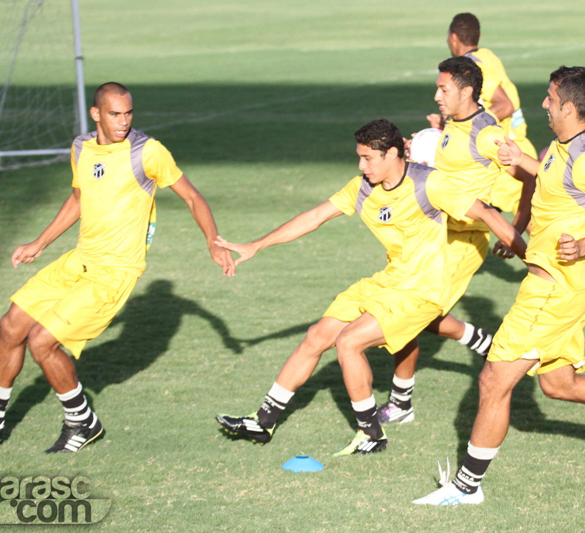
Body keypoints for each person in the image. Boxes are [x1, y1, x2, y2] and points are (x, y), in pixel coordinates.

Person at [413, 66, 585, 505]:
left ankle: (467, 488)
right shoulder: (563, 147)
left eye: (548, 98)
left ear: (568, 106)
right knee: (558, 385)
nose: (542, 103)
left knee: (492, 381)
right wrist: (519, 179)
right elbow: (546, 177)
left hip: (552, 291)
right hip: (565, 288)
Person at [0, 82, 234, 453]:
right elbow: (78, 198)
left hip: (115, 272)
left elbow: (193, 197)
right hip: (80, 260)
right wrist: (39, 242)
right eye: (115, 114)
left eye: (129, 113)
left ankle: (82, 420)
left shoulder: (147, 152)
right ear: (96, 113)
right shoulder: (81, 148)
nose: (124, 121)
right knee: (11, 324)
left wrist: (212, 240)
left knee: (42, 342)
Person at [215, 119, 527, 455]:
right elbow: (314, 217)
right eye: (359, 158)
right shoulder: (362, 188)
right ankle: (263, 422)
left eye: (368, 158)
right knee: (317, 336)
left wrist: (532, 261)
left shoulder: (429, 184)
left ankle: (371, 434)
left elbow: (488, 216)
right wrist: (255, 246)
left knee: (348, 343)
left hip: (421, 292)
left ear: (392, 154)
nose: (361, 166)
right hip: (387, 282)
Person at [377, 56, 534, 426]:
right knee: (404, 305)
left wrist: (520, 224)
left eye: (443, 89)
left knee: (409, 310)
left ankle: (401, 403)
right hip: (433, 234)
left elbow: (530, 175)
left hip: (463, 242)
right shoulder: (454, 124)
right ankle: (478, 341)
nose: (436, 95)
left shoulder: (486, 133)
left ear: (466, 91)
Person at [432, 12, 540, 216]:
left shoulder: (473, 67)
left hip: (501, 152)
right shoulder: (487, 56)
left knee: (517, 223)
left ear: (453, 37)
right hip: (510, 146)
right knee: (523, 222)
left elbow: (505, 105)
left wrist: (467, 127)